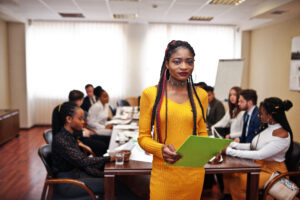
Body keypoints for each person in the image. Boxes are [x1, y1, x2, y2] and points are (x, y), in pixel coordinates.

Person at [138, 40, 208, 200]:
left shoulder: (201, 95)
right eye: (177, 61)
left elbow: (202, 131)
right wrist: (160, 149)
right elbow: (143, 137)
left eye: (189, 62)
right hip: (164, 173)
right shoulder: (151, 94)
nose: (184, 67)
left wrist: (208, 150)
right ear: (167, 64)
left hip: (193, 174)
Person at [222, 97, 294, 200]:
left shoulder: (282, 135)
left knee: (239, 180)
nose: (258, 116)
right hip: (260, 166)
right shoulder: (268, 128)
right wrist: (233, 145)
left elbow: (260, 154)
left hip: (274, 173)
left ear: (269, 116)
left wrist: (230, 151)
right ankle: (229, 196)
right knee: (230, 172)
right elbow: (253, 146)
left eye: (261, 113)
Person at [51, 90, 110, 156]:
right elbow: (66, 131)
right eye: (80, 119)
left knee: (106, 140)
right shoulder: (68, 111)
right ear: (80, 100)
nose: (82, 121)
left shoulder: (64, 108)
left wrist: (82, 130)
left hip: (78, 136)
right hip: (75, 139)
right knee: (102, 145)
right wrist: (82, 133)